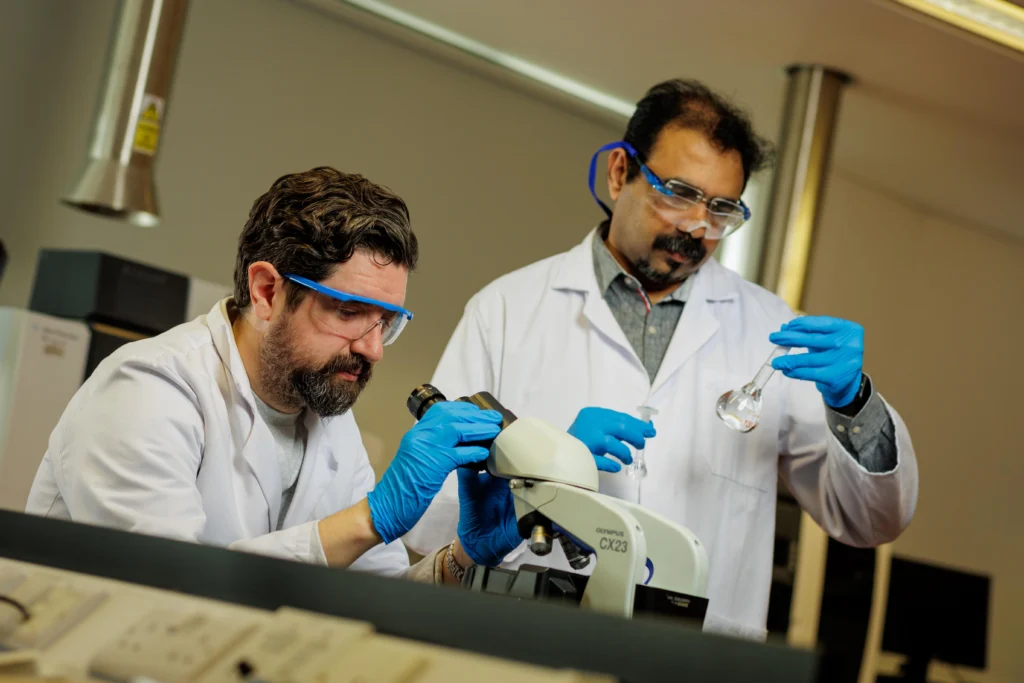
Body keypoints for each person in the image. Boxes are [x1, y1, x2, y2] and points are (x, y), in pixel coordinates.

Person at [405, 79, 919, 637]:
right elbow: (433, 527)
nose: (695, 226)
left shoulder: (768, 330)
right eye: (677, 191)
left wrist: (854, 403)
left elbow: (871, 519)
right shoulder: (506, 310)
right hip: (531, 640)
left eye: (721, 209)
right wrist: (544, 469)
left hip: (700, 660)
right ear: (620, 173)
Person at [26, 167, 521, 585]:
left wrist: (464, 558)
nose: (372, 349)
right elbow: (168, 595)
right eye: (349, 312)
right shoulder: (149, 390)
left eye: (386, 322)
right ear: (266, 291)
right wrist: (371, 518)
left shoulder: (327, 418)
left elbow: (375, 600)